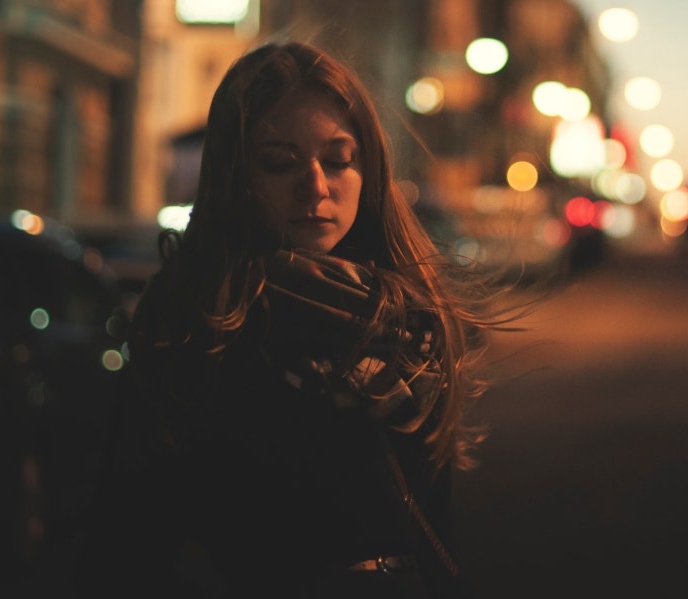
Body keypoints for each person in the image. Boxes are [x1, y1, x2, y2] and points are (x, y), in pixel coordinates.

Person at [75, 40, 519, 598]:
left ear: (369, 171)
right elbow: (128, 538)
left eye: (338, 159)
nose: (315, 186)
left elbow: (435, 525)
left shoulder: (405, 319)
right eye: (279, 162)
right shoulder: (198, 317)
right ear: (237, 176)